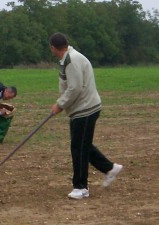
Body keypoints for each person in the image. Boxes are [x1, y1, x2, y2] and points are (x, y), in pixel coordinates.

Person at [49, 32, 123, 200]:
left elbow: (75, 88)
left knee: (78, 148)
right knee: (83, 145)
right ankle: (110, 168)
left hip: (85, 109)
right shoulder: (70, 58)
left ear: (53, 47)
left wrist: (60, 105)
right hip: (83, 108)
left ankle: (81, 187)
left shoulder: (72, 60)